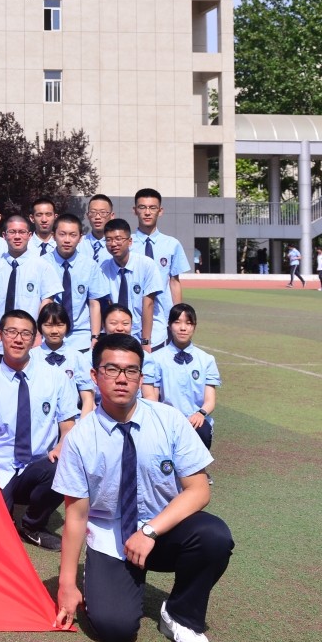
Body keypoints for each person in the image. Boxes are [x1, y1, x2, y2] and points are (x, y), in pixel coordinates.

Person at [52, 333, 233, 642]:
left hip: (162, 529)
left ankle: (180, 615)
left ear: (141, 376)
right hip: (111, 537)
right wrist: (67, 583)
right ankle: (108, 581)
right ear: (95, 375)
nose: (122, 378)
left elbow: (199, 490)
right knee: (115, 629)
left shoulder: (169, 419)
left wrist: (149, 531)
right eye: (111, 369)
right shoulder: (80, 439)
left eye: (131, 370)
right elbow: (76, 516)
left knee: (214, 536)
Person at [0, 308, 77, 551]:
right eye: (11, 332)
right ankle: (1, 508)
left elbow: (68, 425)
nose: (18, 339)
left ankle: (33, 525)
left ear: (35, 338)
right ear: (0, 335)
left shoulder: (56, 378)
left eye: (25, 334)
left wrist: (61, 447)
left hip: (39, 465)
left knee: (64, 463)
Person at [144, 304, 220, 449]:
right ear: (169, 325)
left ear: (194, 327)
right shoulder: (155, 359)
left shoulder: (207, 360)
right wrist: (163, 419)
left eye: (188, 323)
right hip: (166, 419)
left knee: (202, 433)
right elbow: (152, 398)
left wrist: (200, 414)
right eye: (177, 322)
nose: (183, 328)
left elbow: (210, 401)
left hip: (196, 419)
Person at [0, 213, 61, 367]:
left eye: (22, 232)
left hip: (29, 339)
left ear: (29, 235)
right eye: (12, 232)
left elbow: (47, 302)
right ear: (4, 235)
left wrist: (38, 333)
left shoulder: (42, 266)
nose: (17, 236)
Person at [131, 188, 192, 334]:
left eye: (152, 208)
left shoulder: (172, 244)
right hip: (133, 316)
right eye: (142, 207)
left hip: (162, 315)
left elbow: (174, 282)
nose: (147, 212)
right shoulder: (127, 243)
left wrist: (177, 316)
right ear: (135, 210)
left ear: (160, 211)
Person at [100, 219, 165, 349]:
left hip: (148, 334)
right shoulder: (103, 268)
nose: (113, 244)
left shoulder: (146, 265)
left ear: (130, 241)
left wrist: (145, 341)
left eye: (118, 239)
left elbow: (148, 304)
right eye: (108, 240)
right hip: (118, 334)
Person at [47, 212, 106, 352]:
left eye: (73, 235)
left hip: (81, 337)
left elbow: (94, 303)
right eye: (62, 234)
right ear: (53, 235)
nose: (67, 240)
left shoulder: (90, 265)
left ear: (80, 238)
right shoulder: (43, 264)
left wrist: (95, 337)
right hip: (50, 335)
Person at [36, 301, 95, 417]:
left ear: (67, 326)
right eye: (48, 325)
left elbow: (88, 397)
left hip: (72, 419)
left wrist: (81, 424)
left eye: (60, 325)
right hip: (39, 420)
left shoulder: (77, 357)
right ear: (40, 327)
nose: (54, 331)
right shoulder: (31, 357)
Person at [80, 193, 114, 264]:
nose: (97, 217)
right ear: (87, 216)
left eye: (103, 213)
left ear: (112, 216)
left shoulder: (117, 245)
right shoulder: (79, 243)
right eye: (93, 212)